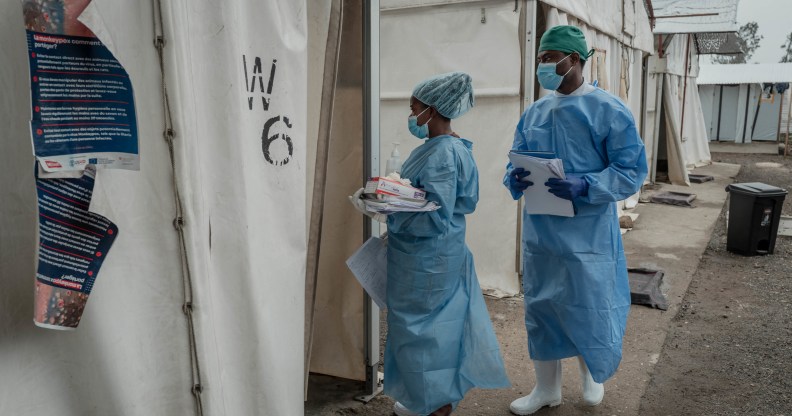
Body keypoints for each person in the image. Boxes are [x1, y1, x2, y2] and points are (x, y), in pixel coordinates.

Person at [503, 25, 648, 415]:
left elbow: (631, 169)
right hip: (542, 232)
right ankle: (546, 388)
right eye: (541, 60)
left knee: (588, 303)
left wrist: (587, 185)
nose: (544, 66)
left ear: (575, 60)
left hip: (588, 234)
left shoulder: (608, 109)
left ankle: (592, 375)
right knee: (543, 306)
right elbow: (516, 157)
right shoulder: (534, 112)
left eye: (551, 58)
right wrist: (513, 177)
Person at [350, 72, 510, 416]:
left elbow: (434, 216)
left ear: (432, 110)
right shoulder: (451, 148)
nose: (410, 116)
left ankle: (436, 406)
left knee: (424, 335)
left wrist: (388, 210)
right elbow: (456, 203)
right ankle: (429, 401)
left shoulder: (442, 155)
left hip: (427, 259)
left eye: (414, 109)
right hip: (436, 254)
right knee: (436, 332)